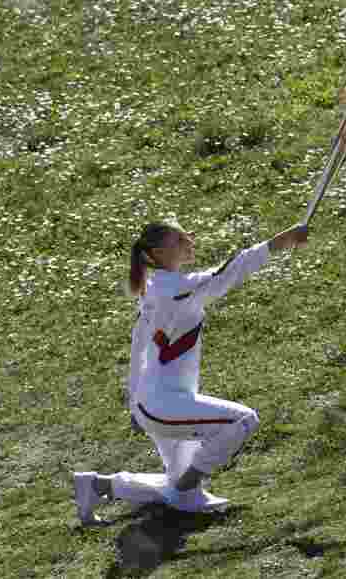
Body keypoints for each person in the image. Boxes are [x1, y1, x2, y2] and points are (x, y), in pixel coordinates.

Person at [73, 219, 308, 525]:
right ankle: (185, 484)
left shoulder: (156, 288)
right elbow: (226, 273)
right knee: (244, 421)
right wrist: (279, 241)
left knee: (183, 495)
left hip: (157, 402)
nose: (189, 243)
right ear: (158, 252)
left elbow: (138, 346)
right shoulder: (173, 289)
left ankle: (98, 485)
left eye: (188, 237)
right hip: (164, 405)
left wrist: (135, 402)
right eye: (180, 240)